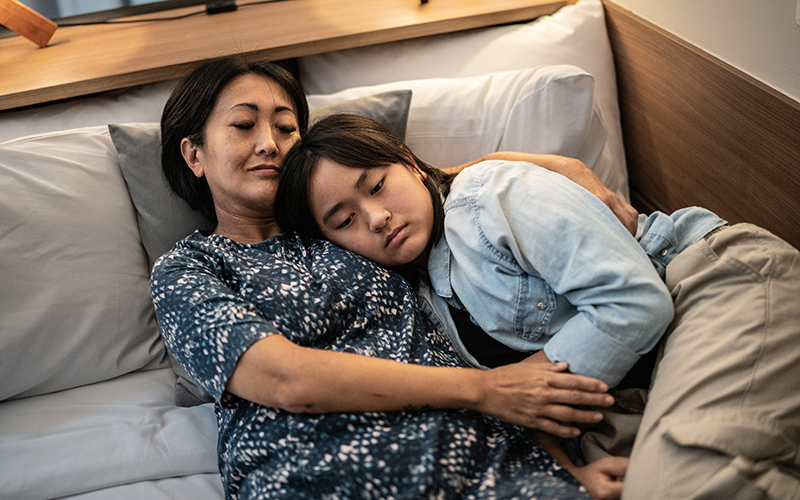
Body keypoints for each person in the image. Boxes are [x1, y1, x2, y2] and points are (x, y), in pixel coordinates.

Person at [151, 57, 641, 500]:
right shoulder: (188, 269)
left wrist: (559, 166)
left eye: (286, 127)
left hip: (488, 463)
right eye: (243, 124)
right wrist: (484, 391)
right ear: (194, 155)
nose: (270, 144)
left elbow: (422, 180)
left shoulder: (348, 225)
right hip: (317, 475)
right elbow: (287, 380)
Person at [274, 113, 800, 500]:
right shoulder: (421, 302)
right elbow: (513, 408)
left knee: (682, 485)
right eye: (344, 221)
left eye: (378, 186)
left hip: (707, 285)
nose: (377, 217)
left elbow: (636, 302)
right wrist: (568, 477)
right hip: (636, 384)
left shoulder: (486, 198)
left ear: (409, 163)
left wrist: (523, 378)